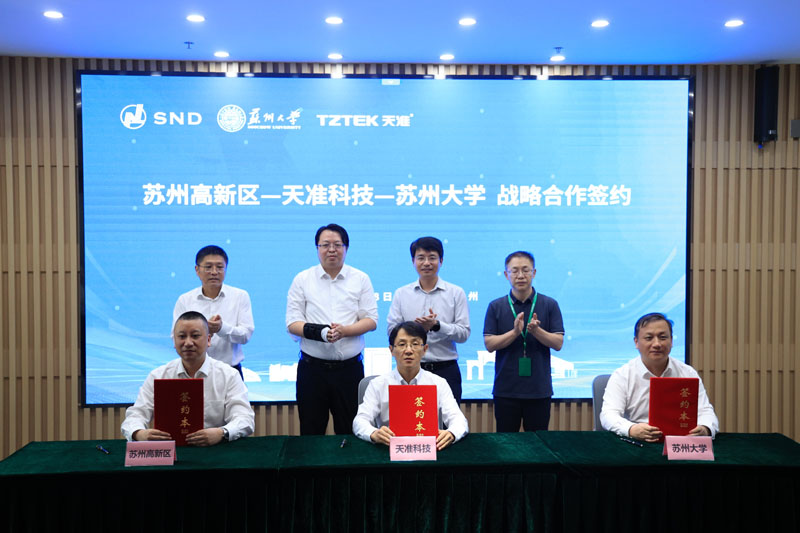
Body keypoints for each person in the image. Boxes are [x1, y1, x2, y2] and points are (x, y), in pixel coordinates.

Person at [286, 223, 379, 435]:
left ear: (346, 248)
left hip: (349, 371)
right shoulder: (302, 279)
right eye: (325, 245)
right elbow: (292, 323)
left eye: (337, 245)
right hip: (312, 370)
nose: (331, 250)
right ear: (317, 248)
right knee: (311, 432)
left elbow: (371, 320)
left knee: (351, 432)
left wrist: (345, 331)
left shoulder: (360, 278)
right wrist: (321, 333)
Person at [121, 311, 255, 445]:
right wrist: (139, 433)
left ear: (209, 340)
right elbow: (136, 415)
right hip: (169, 451)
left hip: (216, 450)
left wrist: (221, 433)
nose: (188, 342)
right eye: (182, 336)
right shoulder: (158, 376)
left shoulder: (229, 375)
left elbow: (245, 418)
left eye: (195, 336)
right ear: (174, 341)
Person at [600, 312, 719, 441]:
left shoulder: (688, 373)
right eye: (649, 338)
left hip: (680, 441)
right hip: (639, 440)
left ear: (671, 341)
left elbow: (705, 411)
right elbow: (608, 414)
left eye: (662, 337)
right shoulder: (622, 375)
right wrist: (631, 429)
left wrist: (705, 428)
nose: (657, 344)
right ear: (636, 342)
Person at [353, 321, 468, 450]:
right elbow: (360, 420)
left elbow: (458, 419)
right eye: (402, 344)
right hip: (389, 450)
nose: (408, 350)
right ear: (391, 350)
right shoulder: (378, 385)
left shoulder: (438, 383)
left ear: (425, 349)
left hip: (427, 450)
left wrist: (452, 433)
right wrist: (373, 433)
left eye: (415, 344)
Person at [483, 251, 564, 432]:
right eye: (514, 271)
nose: (520, 275)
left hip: (538, 390)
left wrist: (536, 331)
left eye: (526, 270)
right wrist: (514, 333)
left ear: (534, 273)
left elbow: (558, 343)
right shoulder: (496, 306)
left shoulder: (549, 304)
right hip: (506, 390)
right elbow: (489, 344)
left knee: (538, 443)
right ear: (506, 275)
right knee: (506, 443)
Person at [386, 236, 470, 402]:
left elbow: (464, 334)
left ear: (441, 261)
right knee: (410, 417)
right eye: (421, 258)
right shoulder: (402, 294)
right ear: (413, 261)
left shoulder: (456, 293)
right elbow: (391, 331)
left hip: (446, 369)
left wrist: (437, 325)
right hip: (410, 370)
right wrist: (415, 330)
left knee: (447, 418)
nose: (426, 263)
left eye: (432, 258)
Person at [173, 245, 254, 378]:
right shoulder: (185, 300)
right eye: (208, 267)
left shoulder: (240, 296)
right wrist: (202, 331)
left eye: (220, 267)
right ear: (197, 270)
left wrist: (222, 328)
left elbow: (245, 335)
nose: (214, 272)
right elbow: (175, 337)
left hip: (230, 371)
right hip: (193, 371)